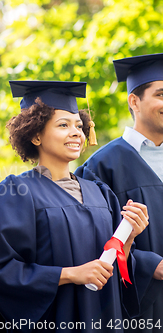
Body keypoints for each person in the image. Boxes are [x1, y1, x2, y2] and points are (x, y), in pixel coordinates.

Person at [0, 81, 149, 332]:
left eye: (79, 126)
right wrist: (70, 274)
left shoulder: (100, 192)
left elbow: (119, 263)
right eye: (63, 125)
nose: (76, 133)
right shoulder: (18, 191)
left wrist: (128, 237)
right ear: (35, 134)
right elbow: (2, 269)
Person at [75, 54, 163, 331]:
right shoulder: (101, 166)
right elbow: (91, 239)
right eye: (161, 94)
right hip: (143, 305)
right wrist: (150, 265)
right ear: (134, 101)